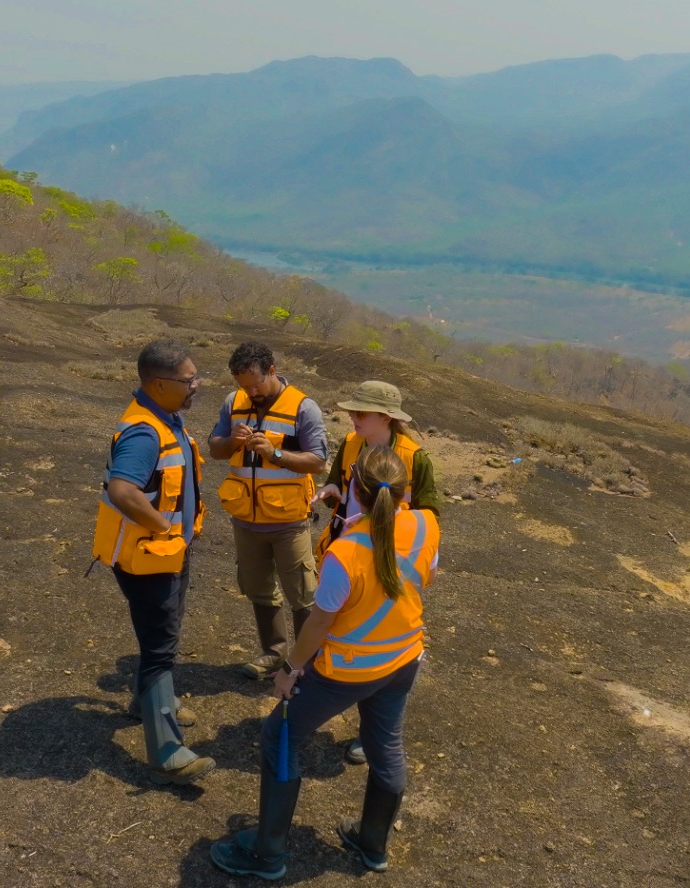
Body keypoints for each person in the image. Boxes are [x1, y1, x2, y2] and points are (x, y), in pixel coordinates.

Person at [210, 446, 441, 879]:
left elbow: (317, 626)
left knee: (280, 734)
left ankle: (268, 855)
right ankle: (372, 845)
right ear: (404, 492)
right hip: (403, 658)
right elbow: (424, 575)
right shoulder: (427, 524)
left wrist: (289, 670)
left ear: (356, 489)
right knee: (385, 746)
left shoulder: (346, 552)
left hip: (348, 670)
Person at [89, 338, 215, 785]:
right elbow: (122, 490)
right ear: (159, 384)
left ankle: (146, 702)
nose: (196, 385)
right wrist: (164, 528)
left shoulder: (167, 418)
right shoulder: (144, 431)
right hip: (150, 557)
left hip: (168, 554)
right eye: (188, 379)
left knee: (162, 633)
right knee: (161, 647)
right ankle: (167, 752)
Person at [315, 379, 442, 764]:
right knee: (345, 636)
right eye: (352, 411)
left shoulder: (414, 457)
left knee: (381, 644)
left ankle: (370, 733)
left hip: (392, 563)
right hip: (350, 556)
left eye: (360, 413)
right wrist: (331, 490)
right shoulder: (351, 444)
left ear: (385, 418)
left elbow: (430, 513)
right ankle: (365, 723)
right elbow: (337, 479)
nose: (352, 417)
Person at [208, 342, 329, 680]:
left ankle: (306, 664)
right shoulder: (234, 403)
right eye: (243, 385)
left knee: (303, 594)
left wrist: (274, 454)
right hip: (245, 519)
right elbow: (215, 448)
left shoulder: (304, 408)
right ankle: (274, 653)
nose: (250, 391)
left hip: (289, 521)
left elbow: (318, 461)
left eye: (256, 383)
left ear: (272, 370)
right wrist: (233, 440)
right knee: (257, 587)